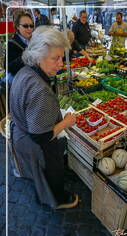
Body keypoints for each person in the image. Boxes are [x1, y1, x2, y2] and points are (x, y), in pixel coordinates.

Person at [10, 26, 79, 209]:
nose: (61, 64)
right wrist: (66, 122)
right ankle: (57, 200)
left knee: (43, 175)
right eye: (55, 58)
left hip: (20, 133)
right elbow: (41, 136)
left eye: (62, 58)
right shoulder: (40, 90)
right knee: (51, 175)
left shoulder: (25, 71)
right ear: (38, 56)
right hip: (35, 144)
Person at [5, 10, 34, 87]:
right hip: (21, 85)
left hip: (33, 81)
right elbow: (8, 67)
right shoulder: (11, 44)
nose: (29, 29)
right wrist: (26, 56)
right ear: (17, 26)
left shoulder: (34, 40)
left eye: (31, 26)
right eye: (25, 26)